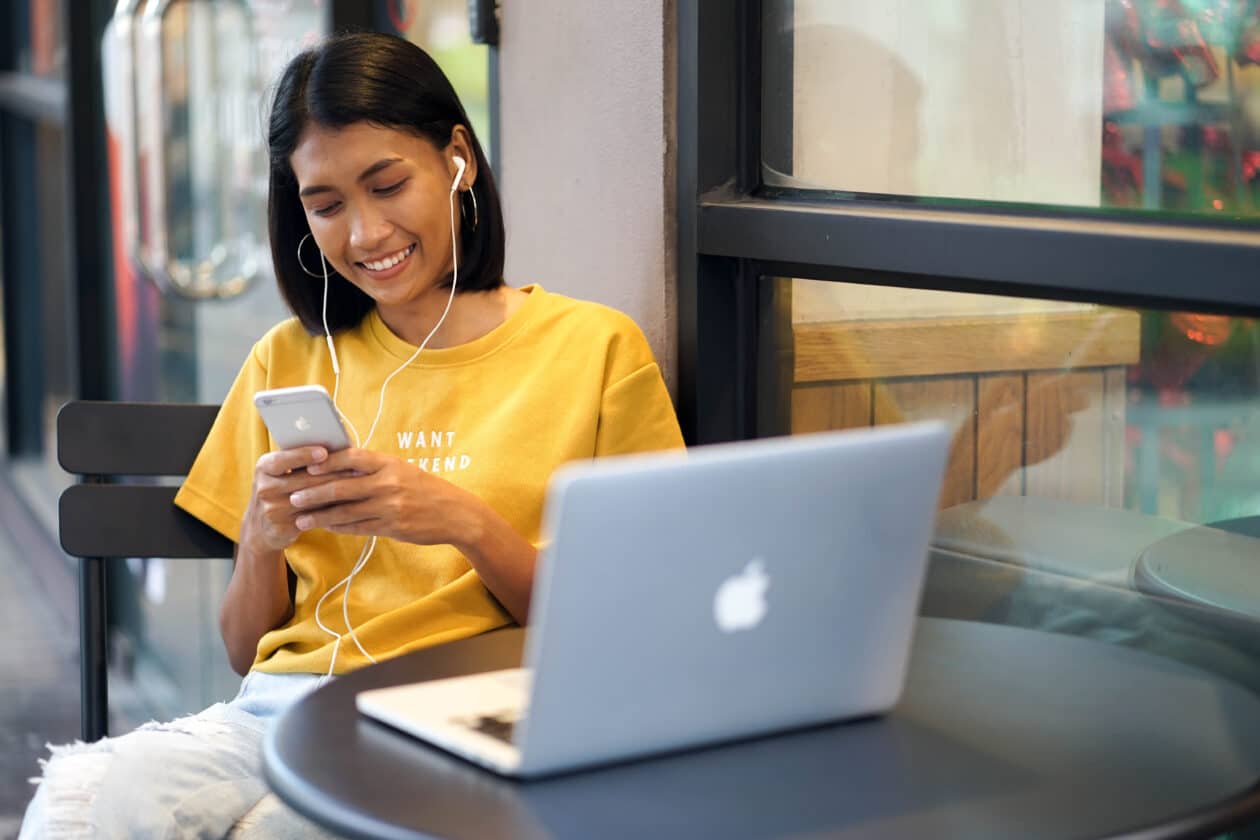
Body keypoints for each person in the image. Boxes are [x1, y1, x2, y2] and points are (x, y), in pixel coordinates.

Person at [21, 31, 683, 838]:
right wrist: (263, 538)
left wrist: (463, 521)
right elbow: (243, 652)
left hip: (464, 717)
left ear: (458, 160)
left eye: (388, 183)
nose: (365, 235)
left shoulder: (593, 350)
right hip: (277, 714)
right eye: (327, 205)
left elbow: (632, 629)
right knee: (94, 805)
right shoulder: (289, 360)